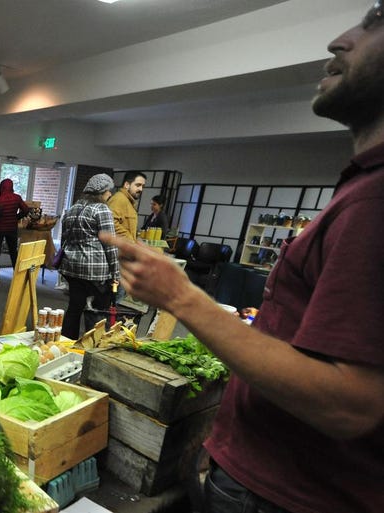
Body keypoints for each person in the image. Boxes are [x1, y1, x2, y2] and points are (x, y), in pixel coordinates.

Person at [100, 4, 384, 512]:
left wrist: (181, 297)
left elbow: (349, 403)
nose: (339, 39)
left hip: (288, 493)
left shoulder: (375, 201)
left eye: (373, 22)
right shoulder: (362, 190)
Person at [58, 173, 119, 340]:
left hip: (72, 268)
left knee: (74, 307)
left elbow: (64, 240)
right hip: (95, 271)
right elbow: (110, 244)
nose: (110, 194)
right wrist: (116, 274)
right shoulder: (102, 209)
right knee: (100, 311)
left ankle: (67, 344)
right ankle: (94, 345)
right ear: (101, 191)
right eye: (108, 191)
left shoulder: (73, 208)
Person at [0, 178, 29, 285]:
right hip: (12, 228)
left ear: (1, 187)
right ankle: (18, 277)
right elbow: (26, 210)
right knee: (13, 253)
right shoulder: (17, 198)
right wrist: (16, 217)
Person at [107, 170, 146, 242]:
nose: (141, 189)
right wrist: (130, 240)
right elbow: (110, 223)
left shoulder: (128, 201)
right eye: (138, 185)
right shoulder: (119, 199)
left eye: (143, 186)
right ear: (127, 185)